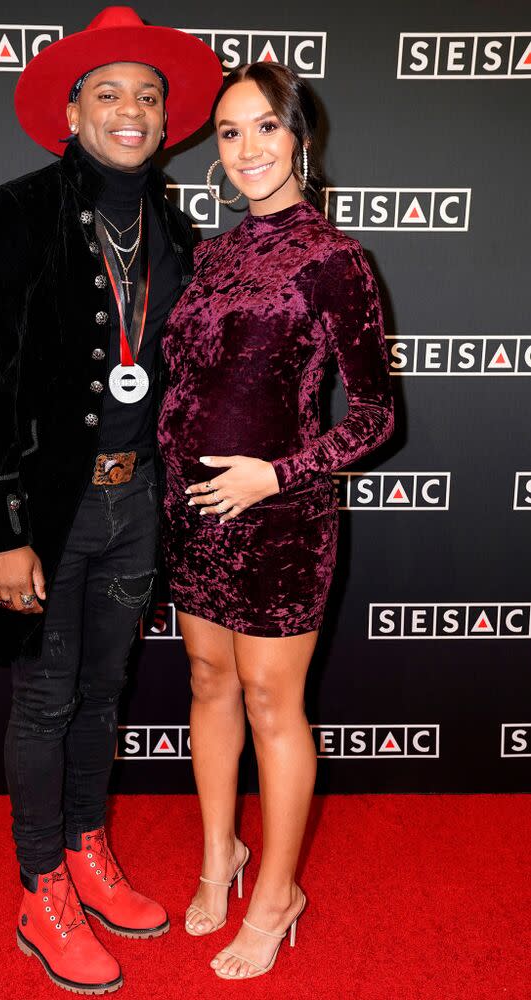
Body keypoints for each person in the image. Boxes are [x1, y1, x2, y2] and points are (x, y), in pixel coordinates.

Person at [0, 7, 222, 994]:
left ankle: (89, 847)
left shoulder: (175, 224)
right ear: (72, 111)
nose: (130, 111)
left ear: (165, 117)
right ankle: (40, 883)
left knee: (105, 692)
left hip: (138, 505)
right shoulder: (13, 215)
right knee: (47, 696)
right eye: (109, 94)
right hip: (47, 516)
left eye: (147, 94)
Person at [157, 62, 395, 980]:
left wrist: (277, 474)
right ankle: (221, 855)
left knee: (269, 700)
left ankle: (275, 895)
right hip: (190, 514)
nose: (247, 149)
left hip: (280, 520)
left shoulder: (335, 259)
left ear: (300, 137)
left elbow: (375, 416)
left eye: (265, 128)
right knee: (208, 682)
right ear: (213, 152)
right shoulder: (210, 256)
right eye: (228, 133)